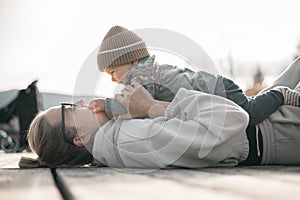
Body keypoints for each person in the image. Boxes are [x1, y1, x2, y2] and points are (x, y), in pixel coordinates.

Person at [18, 56, 300, 168]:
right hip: (278, 132)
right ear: (78, 138)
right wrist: (151, 107)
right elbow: (236, 119)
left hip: (271, 125)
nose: (80, 102)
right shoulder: (127, 140)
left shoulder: (118, 132)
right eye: (69, 108)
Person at [91, 25, 300, 125]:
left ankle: (280, 94)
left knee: (251, 114)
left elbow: (131, 105)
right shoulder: (147, 72)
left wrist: (106, 106)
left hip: (220, 91)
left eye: (113, 72)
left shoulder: (143, 76)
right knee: (251, 105)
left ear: (133, 60)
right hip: (217, 89)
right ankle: (276, 94)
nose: (113, 79)